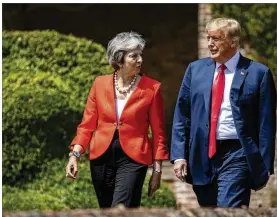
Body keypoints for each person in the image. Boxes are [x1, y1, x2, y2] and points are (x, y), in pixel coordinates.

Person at [171, 18, 276, 208]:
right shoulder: (195, 70)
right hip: (202, 155)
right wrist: (179, 155)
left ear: (233, 42)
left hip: (237, 153)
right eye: (208, 38)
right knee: (208, 209)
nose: (210, 44)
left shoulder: (258, 73)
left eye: (217, 38)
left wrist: (264, 166)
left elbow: (266, 123)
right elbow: (182, 115)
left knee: (229, 208)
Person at [65, 31, 169, 208]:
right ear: (119, 60)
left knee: (120, 208)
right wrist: (75, 155)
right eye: (133, 56)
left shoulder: (152, 88)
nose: (140, 60)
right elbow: (87, 125)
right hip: (101, 156)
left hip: (134, 158)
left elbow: (158, 133)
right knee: (107, 210)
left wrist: (157, 170)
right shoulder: (99, 84)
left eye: (140, 55)